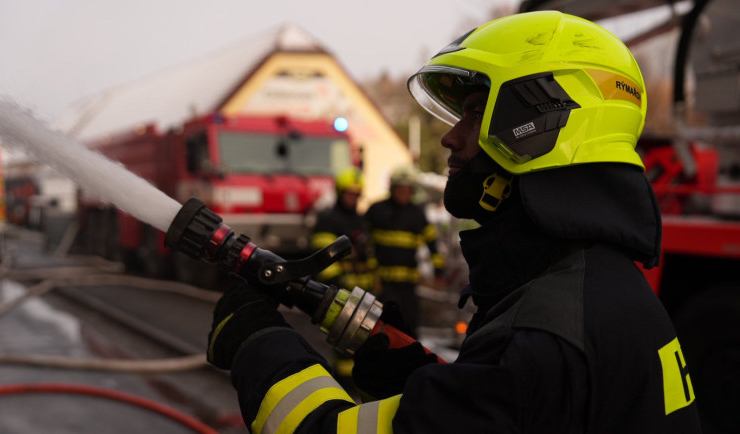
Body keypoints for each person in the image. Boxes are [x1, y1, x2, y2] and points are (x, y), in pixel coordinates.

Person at [205, 11, 702, 433]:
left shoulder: (539, 338)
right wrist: (412, 370)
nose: (450, 138)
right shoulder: (595, 287)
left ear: (540, 122)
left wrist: (260, 344)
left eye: (475, 114)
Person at [364, 165, 444, 334]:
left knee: (409, 329)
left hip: (408, 286)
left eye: (407, 190)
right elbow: (362, 242)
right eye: (400, 190)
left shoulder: (417, 214)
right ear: (392, 189)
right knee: (381, 329)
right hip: (382, 285)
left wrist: (439, 271)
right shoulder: (377, 211)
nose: (404, 194)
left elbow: (433, 244)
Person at [311, 167, 374, 292]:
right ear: (340, 192)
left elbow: (369, 255)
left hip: (362, 291)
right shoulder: (327, 219)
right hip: (335, 289)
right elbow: (324, 258)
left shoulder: (361, 220)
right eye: (349, 193)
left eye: (356, 194)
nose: (353, 198)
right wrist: (339, 283)